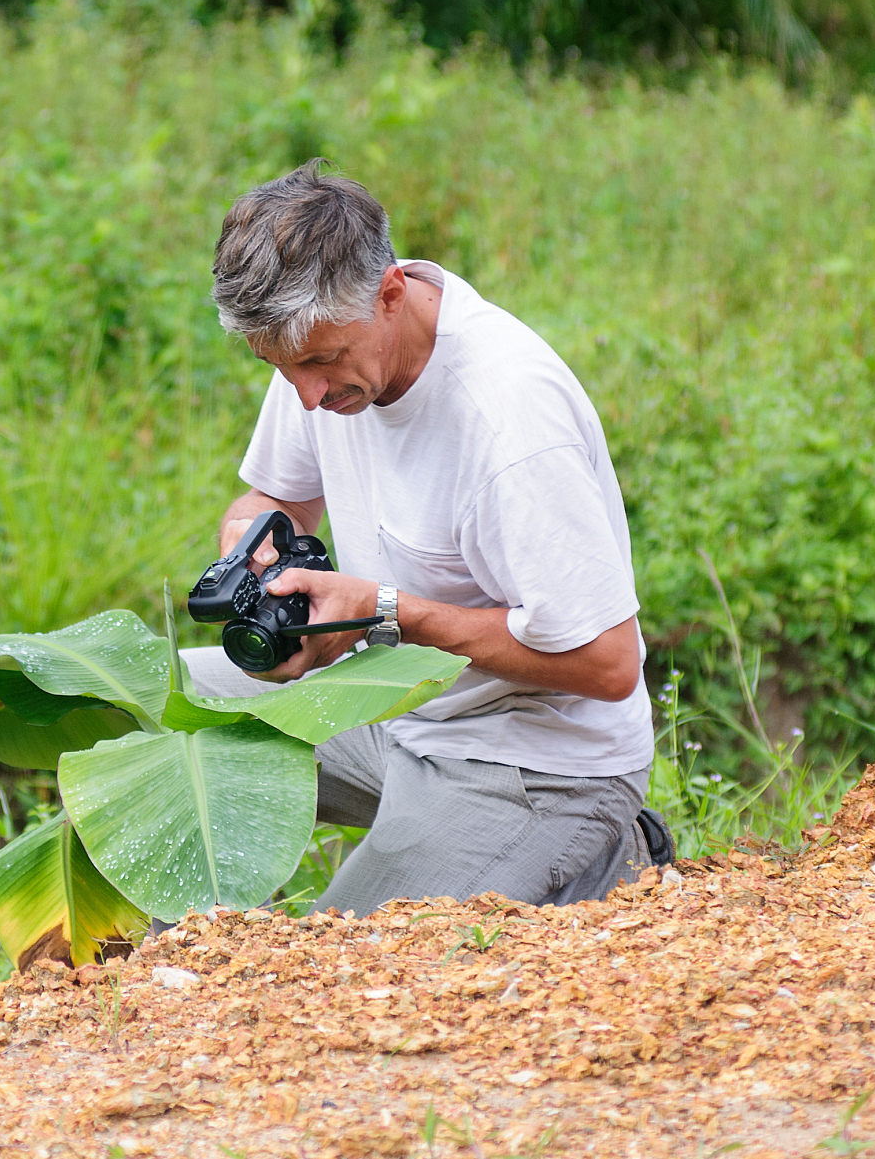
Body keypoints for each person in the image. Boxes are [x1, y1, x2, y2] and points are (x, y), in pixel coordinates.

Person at [182, 163, 672, 917]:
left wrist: (380, 614)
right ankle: (159, 977)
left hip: (529, 761)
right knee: (151, 711)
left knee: (341, 964)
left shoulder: (508, 419)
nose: (307, 395)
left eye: (318, 362)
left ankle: (604, 858)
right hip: (387, 711)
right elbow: (277, 495)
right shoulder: (320, 354)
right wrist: (251, 544)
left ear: (390, 292)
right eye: (278, 367)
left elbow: (609, 663)